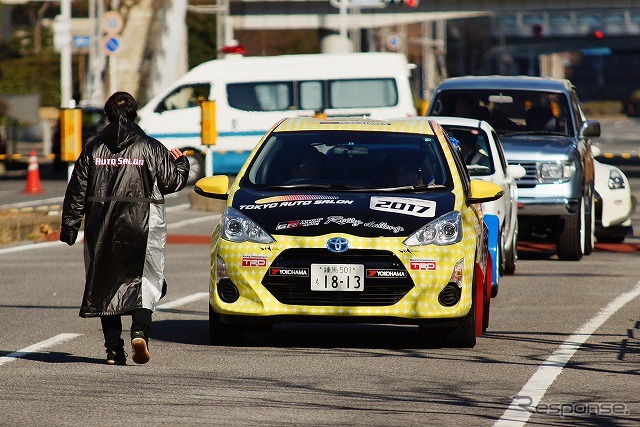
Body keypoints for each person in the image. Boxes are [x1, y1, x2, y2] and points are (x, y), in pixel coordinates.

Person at [60, 92, 190, 365]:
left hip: (101, 225)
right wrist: (181, 163)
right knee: (146, 281)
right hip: (144, 224)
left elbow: (77, 190)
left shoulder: (94, 148)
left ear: (107, 115)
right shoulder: (150, 147)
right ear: (135, 114)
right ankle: (140, 333)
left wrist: (70, 227)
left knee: (106, 283)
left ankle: (113, 350)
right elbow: (171, 183)